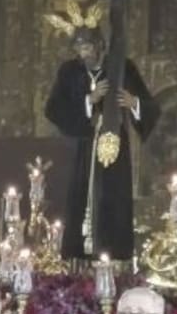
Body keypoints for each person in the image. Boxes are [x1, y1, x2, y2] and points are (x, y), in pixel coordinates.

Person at [45, 24, 159, 261]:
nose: (82, 53)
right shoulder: (69, 71)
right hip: (82, 148)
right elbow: (54, 109)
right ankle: (77, 262)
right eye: (78, 48)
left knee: (113, 200)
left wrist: (134, 103)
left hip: (113, 147)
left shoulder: (121, 68)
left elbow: (150, 107)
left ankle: (115, 260)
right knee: (79, 201)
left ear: (99, 46)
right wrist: (89, 100)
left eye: (86, 47)